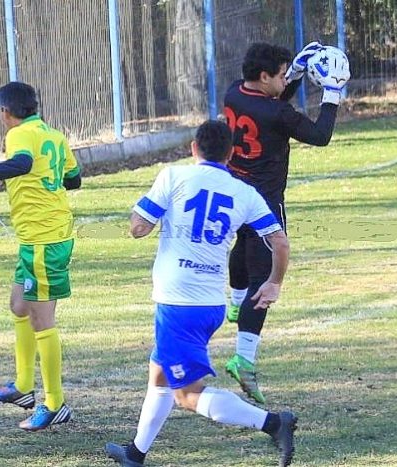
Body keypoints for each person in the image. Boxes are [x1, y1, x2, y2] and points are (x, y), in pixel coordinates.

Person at [105, 120, 296, 466]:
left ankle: (273, 423)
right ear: (231, 153)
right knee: (159, 373)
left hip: (179, 304)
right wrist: (274, 283)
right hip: (210, 304)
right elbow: (279, 241)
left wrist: (141, 214)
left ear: (194, 148)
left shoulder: (173, 177)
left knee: (186, 395)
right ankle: (135, 454)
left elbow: (138, 228)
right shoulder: (245, 192)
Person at [0, 81, 81, 431]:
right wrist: (47, 182)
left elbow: (21, 164)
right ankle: (23, 387)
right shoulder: (53, 135)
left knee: (42, 320)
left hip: (44, 240)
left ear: (5, 112)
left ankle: (55, 403)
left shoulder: (19, 134)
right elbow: (74, 179)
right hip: (39, 237)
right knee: (19, 306)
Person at [223, 42, 350, 404]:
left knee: (243, 246)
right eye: (280, 75)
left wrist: (293, 74)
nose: (285, 80)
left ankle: (234, 303)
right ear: (264, 77)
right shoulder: (276, 115)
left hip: (236, 190)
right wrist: (332, 92)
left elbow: (273, 101)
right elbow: (319, 135)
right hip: (263, 201)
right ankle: (244, 359)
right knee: (263, 282)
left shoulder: (235, 92)